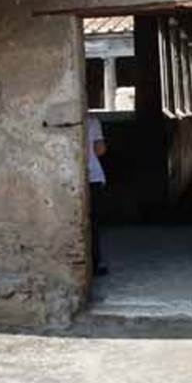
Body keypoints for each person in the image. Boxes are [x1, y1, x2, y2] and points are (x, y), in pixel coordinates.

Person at [87, 114, 109, 276]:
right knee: (93, 222)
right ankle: (95, 262)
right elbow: (100, 150)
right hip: (92, 175)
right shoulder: (93, 122)